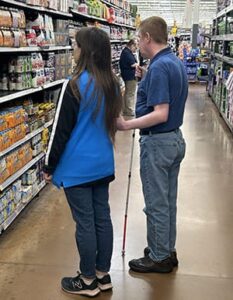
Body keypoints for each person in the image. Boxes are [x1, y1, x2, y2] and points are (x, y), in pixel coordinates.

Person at [43, 27, 122, 297]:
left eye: (75, 45)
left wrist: (48, 166)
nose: (73, 50)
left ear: (85, 50)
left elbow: (60, 131)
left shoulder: (75, 85)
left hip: (78, 167)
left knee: (85, 222)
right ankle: (103, 275)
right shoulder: (112, 83)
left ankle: (87, 280)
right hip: (103, 163)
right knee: (102, 218)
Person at [117, 16, 188, 273]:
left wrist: (126, 125)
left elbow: (160, 113)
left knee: (156, 203)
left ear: (147, 37)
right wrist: (147, 75)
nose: (137, 44)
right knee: (168, 201)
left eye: (138, 39)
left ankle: (158, 258)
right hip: (174, 140)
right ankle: (166, 249)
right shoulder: (172, 62)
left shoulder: (159, 67)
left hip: (158, 143)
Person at [119, 39, 138, 116]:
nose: (136, 48)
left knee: (128, 93)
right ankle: (129, 110)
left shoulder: (126, 52)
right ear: (132, 45)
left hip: (127, 75)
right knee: (130, 93)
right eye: (135, 46)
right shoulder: (127, 53)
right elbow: (132, 64)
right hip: (130, 76)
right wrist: (137, 64)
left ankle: (126, 109)